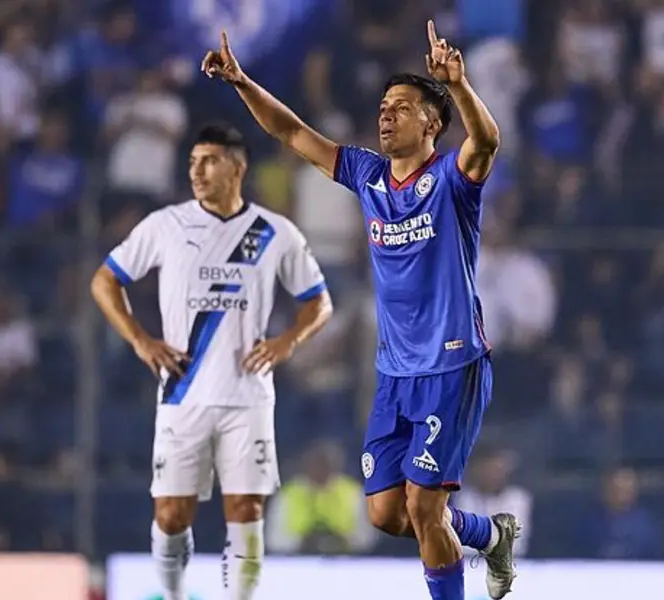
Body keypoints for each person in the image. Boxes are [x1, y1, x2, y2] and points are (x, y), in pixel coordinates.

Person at [203, 21, 518, 600]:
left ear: (432, 123)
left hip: (451, 364)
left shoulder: (450, 179)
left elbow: (487, 143)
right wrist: (242, 82)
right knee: (388, 516)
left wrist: (460, 85)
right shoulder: (368, 176)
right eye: (383, 106)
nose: (387, 114)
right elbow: (293, 133)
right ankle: (489, 536)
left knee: (425, 507)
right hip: (395, 373)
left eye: (403, 106)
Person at [90, 123, 333, 600]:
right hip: (184, 392)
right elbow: (105, 280)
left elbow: (319, 301)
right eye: (192, 162)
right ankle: (175, 595)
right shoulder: (166, 225)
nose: (197, 171)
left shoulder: (273, 232)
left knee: (246, 509)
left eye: (209, 161)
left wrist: (287, 342)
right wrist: (141, 340)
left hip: (248, 396)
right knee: (171, 514)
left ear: (237, 167)